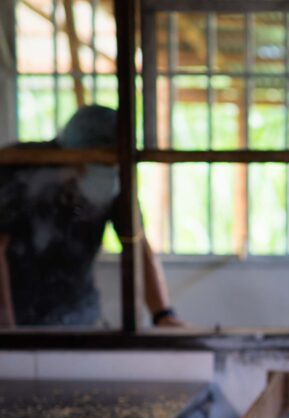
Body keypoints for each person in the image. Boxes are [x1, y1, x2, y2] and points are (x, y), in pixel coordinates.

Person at [0, 105, 183, 328]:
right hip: (17, 316)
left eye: (111, 165)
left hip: (79, 319)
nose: (103, 171)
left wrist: (163, 314)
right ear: (74, 154)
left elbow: (136, 245)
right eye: (99, 163)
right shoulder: (19, 168)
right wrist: (6, 325)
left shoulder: (115, 183)